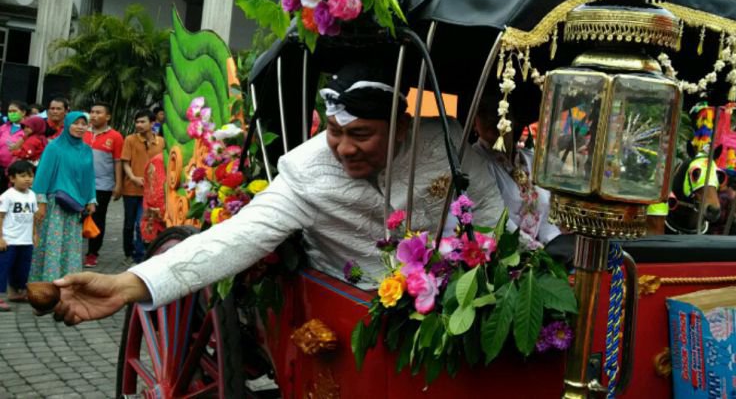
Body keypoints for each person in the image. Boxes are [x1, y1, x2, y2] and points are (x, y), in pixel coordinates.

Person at [47, 63, 508, 324]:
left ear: (403, 126)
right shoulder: (307, 171)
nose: (344, 148)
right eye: (333, 131)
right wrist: (128, 284)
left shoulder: (446, 144)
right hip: (346, 313)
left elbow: (493, 210)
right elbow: (236, 237)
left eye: (362, 134)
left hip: (455, 305)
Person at [472, 96, 561, 247]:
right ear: (475, 123)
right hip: (500, 254)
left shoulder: (530, 159)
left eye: (499, 111)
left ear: (513, 119)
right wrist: (534, 251)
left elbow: (547, 218)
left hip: (538, 256)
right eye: (483, 112)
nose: (491, 118)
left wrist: (554, 244)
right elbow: (494, 219)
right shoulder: (474, 161)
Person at [29, 111, 96, 282]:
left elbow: (89, 176)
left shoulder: (87, 150)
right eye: (76, 123)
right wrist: (41, 203)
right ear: (67, 125)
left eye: (84, 124)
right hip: (55, 205)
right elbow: (42, 175)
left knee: (71, 246)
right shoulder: (54, 147)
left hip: (75, 206)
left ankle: (68, 284)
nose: (80, 127)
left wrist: (91, 199)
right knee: (51, 244)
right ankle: (46, 285)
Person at [83, 102, 124, 268]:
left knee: (98, 218)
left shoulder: (115, 136)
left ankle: (92, 253)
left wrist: (118, 184)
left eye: (98, 112)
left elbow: (118, 162)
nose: (93, 115)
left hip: (103, 185)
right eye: (92, 112)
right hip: (80, 184)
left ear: (107, 116)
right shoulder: (82, 133)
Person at [121, 109, 164, 263]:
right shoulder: (130, 140)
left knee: (142, 223)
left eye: (142, 121)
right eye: (137, 122)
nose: (138, 125)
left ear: (152, 123)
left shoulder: (161, 142)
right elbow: (125, 162)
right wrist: (132, 177)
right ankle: (128, 250)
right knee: (128, 224)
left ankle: (140, 256)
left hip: (150, 191)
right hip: (131, 188)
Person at [0, 161, 38, 311]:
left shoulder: (32, 195)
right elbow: (1, 217)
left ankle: (16, 293)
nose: (27, 179)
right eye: (23, 176)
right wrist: (1, 237)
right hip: (9, 240)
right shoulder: (7, 196)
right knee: (3, 268)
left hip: (26, 240)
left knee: (22, 268)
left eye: (30, 176)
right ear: (12, 178)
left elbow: (34, 217)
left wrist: (35, 233)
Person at [0, 100, 29, 190]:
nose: (11, 114)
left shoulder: (28, 129)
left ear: (23, 112)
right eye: (9, 111)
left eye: (14, 111)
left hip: (16, 170)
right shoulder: (4, 127)